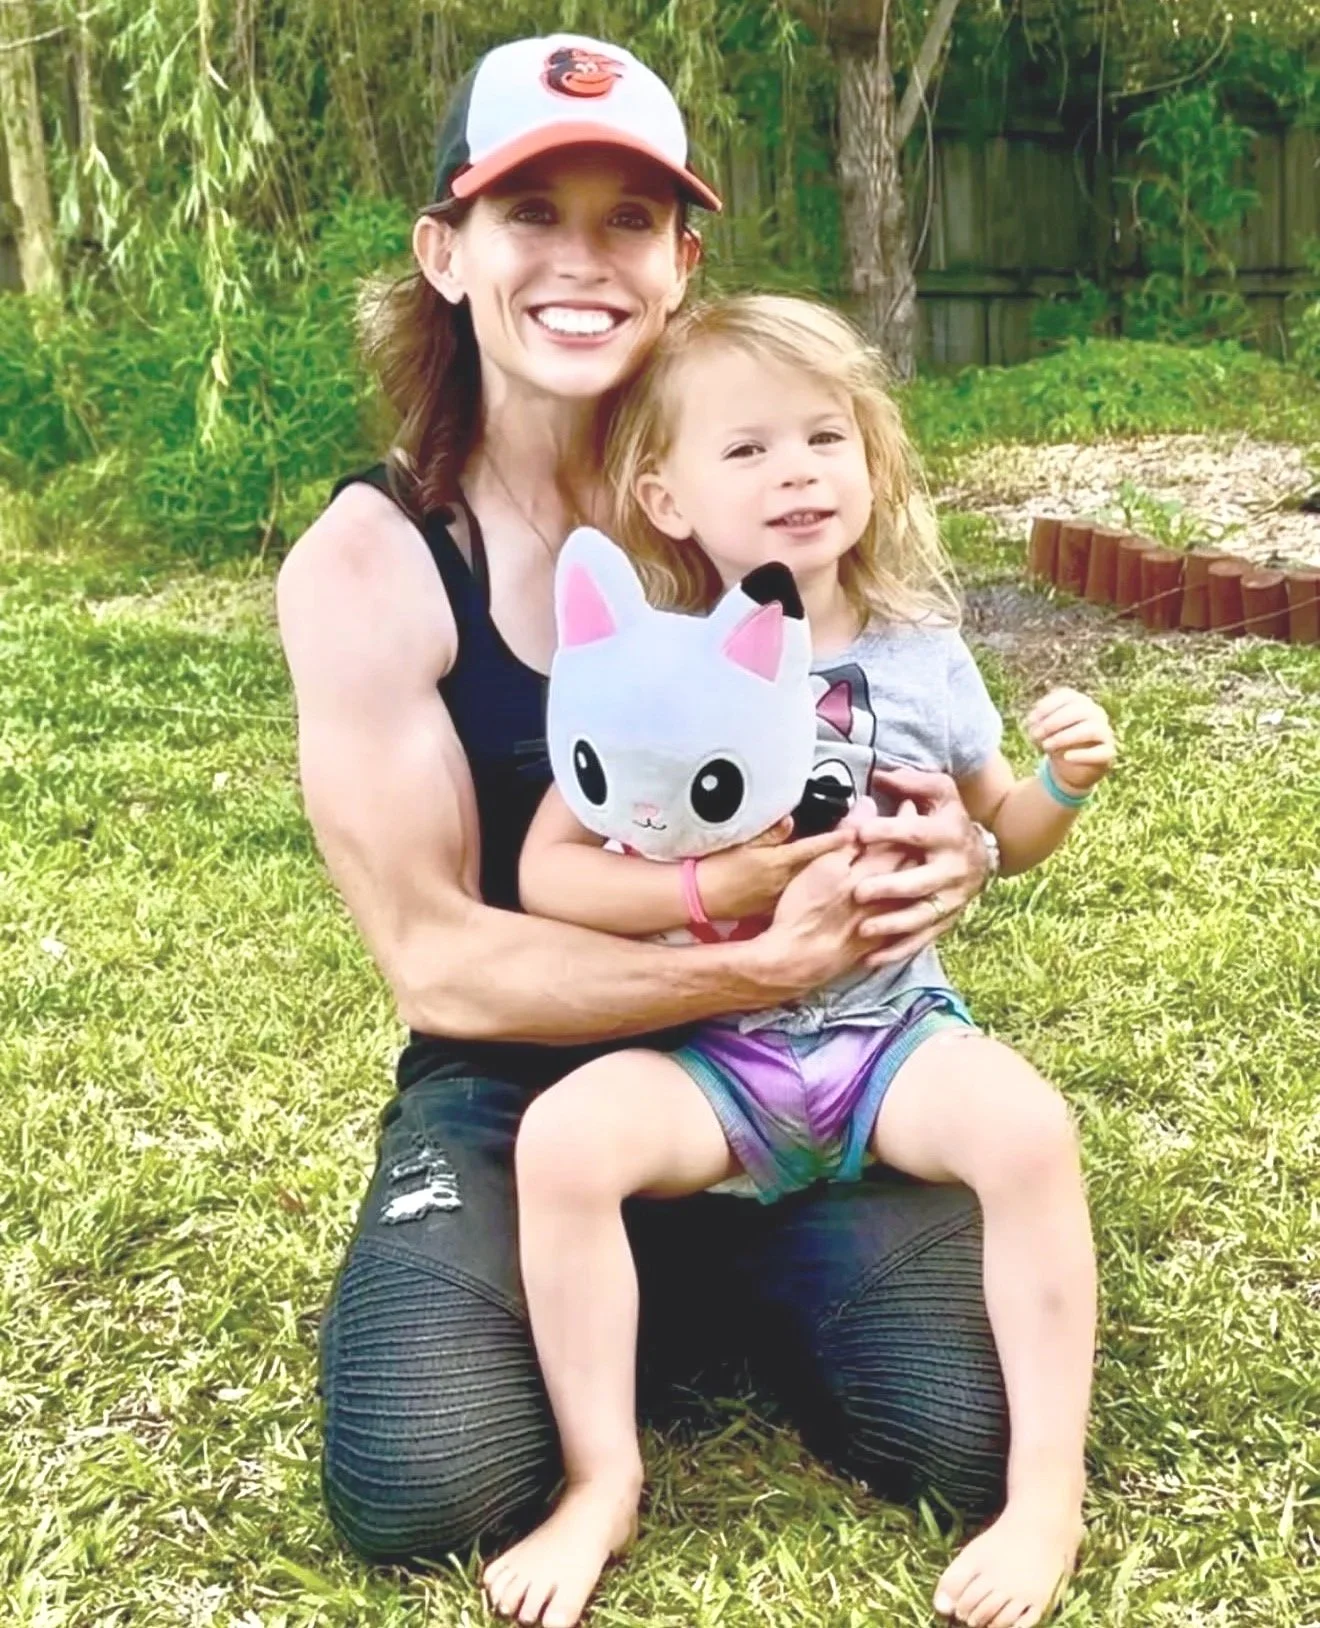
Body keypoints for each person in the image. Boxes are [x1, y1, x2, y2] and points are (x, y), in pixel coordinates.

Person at [277, 27, 1006, 1614]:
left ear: (683, 259)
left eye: (629, 219)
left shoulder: (742, 499)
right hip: (516, 1083)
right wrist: (745, 959)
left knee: (972, 1438)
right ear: (445, 250)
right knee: (422, 1478)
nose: (581, 261)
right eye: (533, 212)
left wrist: (951, 840)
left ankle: (706, 1262)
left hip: (792, 1070)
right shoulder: (378, 560)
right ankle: (599, 1274)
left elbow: (907, 731)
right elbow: (442, 968)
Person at [486, 295, 1116, 1628]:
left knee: (1031, 1134)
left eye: (825, 437)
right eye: (749, 449)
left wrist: (1059, 779)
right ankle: (604, 1478)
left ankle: (1046, 1492)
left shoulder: (925, 661)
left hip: (893, 1037)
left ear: (873, 460)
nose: (797, 474)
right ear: (663, 494)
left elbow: (1006, 832)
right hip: (719, 1054)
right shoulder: (653, 666)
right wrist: (712, 888)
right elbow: (550, 871)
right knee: (562, 1146)